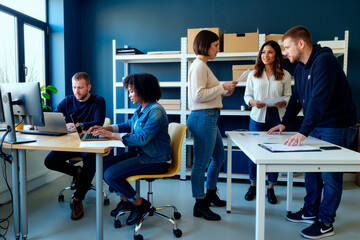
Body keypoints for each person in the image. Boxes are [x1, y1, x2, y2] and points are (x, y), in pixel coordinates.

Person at [268, 26, 357, 239]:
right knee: (311, 170)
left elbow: (320, 100)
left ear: (301, 44)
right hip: (318, 124)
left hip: (337, 125)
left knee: (330, 175)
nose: (285, 52)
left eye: (287, 47)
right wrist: (285, 123)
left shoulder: (325, 62)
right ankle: (310, 211)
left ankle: (326, 222)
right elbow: (296, 99)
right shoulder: (300, 68)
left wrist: (304, 130)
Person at [89, 73, 172, 226]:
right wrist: (105, 128)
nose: (129, 95)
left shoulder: (156, 111)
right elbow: (128, 125)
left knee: (111, 174)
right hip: (141, 154)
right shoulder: (142, 108)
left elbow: (142, 138)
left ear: (144, 90)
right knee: (102, 166)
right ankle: (127, 200)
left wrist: (111, 135)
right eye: (129, 91)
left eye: (132, 91)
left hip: (155, 159)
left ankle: (140, 204)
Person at [187, 30, 238, 221]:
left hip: (208, 116)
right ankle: (199, 204)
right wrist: (222, 87)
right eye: (216, 45)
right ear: (205, 45)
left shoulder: (203, 66)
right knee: (200, 164)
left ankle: (210, 193)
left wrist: (221, 93)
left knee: (219, 156)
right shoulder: (199, 66)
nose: (218, 49)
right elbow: (197, 96)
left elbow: (205, 93)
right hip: (203, 117)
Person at [44, 72, 106, 220]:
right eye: (74, 87)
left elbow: (99, 122)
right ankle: (77, 171)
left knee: (90, 161)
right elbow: (54, 116)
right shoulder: (68, 101)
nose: (76, 91)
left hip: (88, 140)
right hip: (70, 142)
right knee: (50, 161)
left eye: (80, 87)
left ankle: (78, 199)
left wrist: (77, 125)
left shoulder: (98, 101)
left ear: (89, 87)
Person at [243, 40, 292, 204]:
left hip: (277, 117)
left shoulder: (285, 74)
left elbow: (289, 96)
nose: (265, 55)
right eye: (263, 52)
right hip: (257, 117)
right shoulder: (253, 74)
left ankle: (271, 187)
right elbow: (247, 96)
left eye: (270, 52)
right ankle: (253, 185)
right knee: (253, 153)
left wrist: (284, 102)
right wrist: (253, 103)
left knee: (274, 153)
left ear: (277, 54)